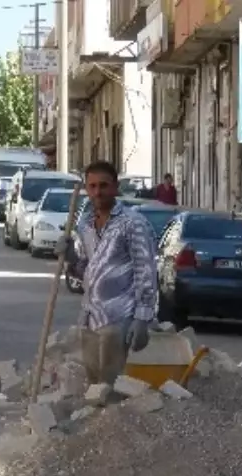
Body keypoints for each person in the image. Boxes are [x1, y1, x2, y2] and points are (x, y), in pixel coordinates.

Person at [62, 161, 158, 385]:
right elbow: (87, 268)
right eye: (92, 186)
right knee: (94, 386)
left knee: (112, 388)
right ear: (86, 188)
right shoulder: (85, 224)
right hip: (90, 317)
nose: (98, 192)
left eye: (104, 185)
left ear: (115, 187)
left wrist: (143, 319)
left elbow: (146, 272)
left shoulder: (133, 224)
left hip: (119, 318)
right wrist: (70, 257)